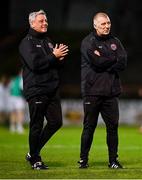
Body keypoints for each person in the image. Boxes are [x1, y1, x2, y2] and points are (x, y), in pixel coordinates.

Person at [19, 10, 69, 170]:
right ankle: (35, 159)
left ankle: (32, 152)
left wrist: (59, 59)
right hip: (36, 89)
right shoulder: (26, 42)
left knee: (56, 122)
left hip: (52, 88)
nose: (45, 23)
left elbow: (52, 64)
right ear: (32, 23)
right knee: (37, 125)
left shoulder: (48, 41)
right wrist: (53, 56)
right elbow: (35, 64)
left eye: (46, 20)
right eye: (41, 21)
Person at [78, 12, 127, 169]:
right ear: (95, 25)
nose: (107, 26)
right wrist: (113, 58)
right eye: (103, 24)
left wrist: (105, 58)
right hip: (92, 92)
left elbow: (123, 61)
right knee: (89, 127)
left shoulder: (115, 41)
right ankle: (83, 159)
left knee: (112, 128)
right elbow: (97, 62)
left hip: (111, 92)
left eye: (108, 23)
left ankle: (113, 160)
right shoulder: (87, 42)